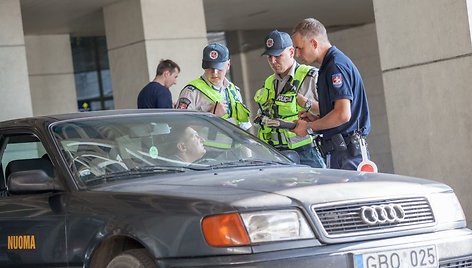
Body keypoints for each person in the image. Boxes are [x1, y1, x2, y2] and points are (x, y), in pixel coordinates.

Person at [291, 18, 372, 170]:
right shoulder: (329, 66)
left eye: (299, 48)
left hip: (347, 153)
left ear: (314, 43)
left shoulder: (335, 66)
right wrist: (317, 119)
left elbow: (343, 115)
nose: (297, 54)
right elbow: (338, 112)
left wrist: (309, 126)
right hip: (340, 151)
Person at [253, 30, 325, 168]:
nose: (273, 61)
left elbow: (332, 112)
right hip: (275, 154)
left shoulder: (311, 77)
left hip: (307, 152)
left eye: (278, 56)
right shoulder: (269, 82)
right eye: (269, 57)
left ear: (291, 52)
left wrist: (308, 105)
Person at [176, 43, 251, 130]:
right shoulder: (191, 92)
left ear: (228, 65)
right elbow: (180, 128)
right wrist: (211, 117)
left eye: (219, 68)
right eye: (210, 68)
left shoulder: (233, 91)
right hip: (205, 144)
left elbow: (244, 127)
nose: (214, 73)